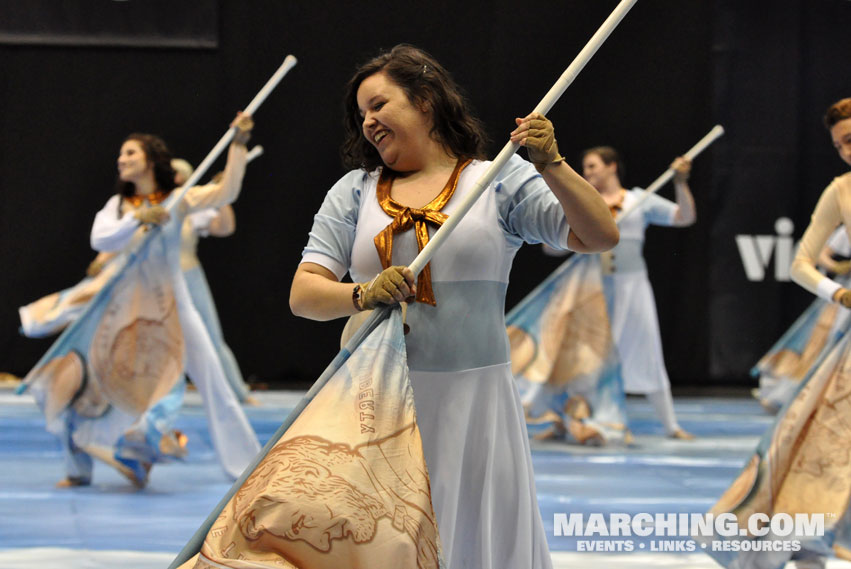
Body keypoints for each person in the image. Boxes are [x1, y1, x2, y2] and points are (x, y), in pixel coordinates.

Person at [289, 45, 618, 569]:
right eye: (361, 114)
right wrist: (363, 293)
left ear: (424, 100)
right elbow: (304, 295)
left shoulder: (498, 181)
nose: (368, 121)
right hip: (373, 403)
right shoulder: (354, 192)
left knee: (467, 541)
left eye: (378, 104)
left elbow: (597, 235)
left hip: (473, 404)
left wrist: (551, 163)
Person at [34, 113, 260, 488]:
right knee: (87, 379)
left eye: (130, 153)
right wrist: (138, 218)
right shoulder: (118, 208)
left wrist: (237, 146)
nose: (121, 159)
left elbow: (227, 194)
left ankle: (245, 468)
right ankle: (81, 468)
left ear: (151, 160)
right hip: (128, 313)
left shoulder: (179, 201)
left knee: (214, 382)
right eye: (120, 154)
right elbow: (100, 239)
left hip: (175, 307)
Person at [704, 98, 851, 569]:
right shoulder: (841, 192)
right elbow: (801, 263)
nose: (848, 149)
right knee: (817, 446)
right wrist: (839, 294)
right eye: (841, 144)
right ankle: (804, 548)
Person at [580, 146, 696, 439]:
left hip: (633, 289)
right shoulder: (584, 202)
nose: (587, 173)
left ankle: (671, 424)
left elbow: (684, 217)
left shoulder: (639, 199)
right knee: (593, 358)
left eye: (592, 166)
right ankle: (589, 421)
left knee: (648, 351)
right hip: (596, 291)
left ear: (612, 167)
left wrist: (680, 183)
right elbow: (551, 246)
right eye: (585, 168)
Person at [171, 158, 258, 405]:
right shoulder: (151, 204)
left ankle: (239, 393)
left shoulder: (192, 206)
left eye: (175, 174)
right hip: (157, 280)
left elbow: (225, 226)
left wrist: (221, 196)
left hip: (188, 277)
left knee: (211, 337)